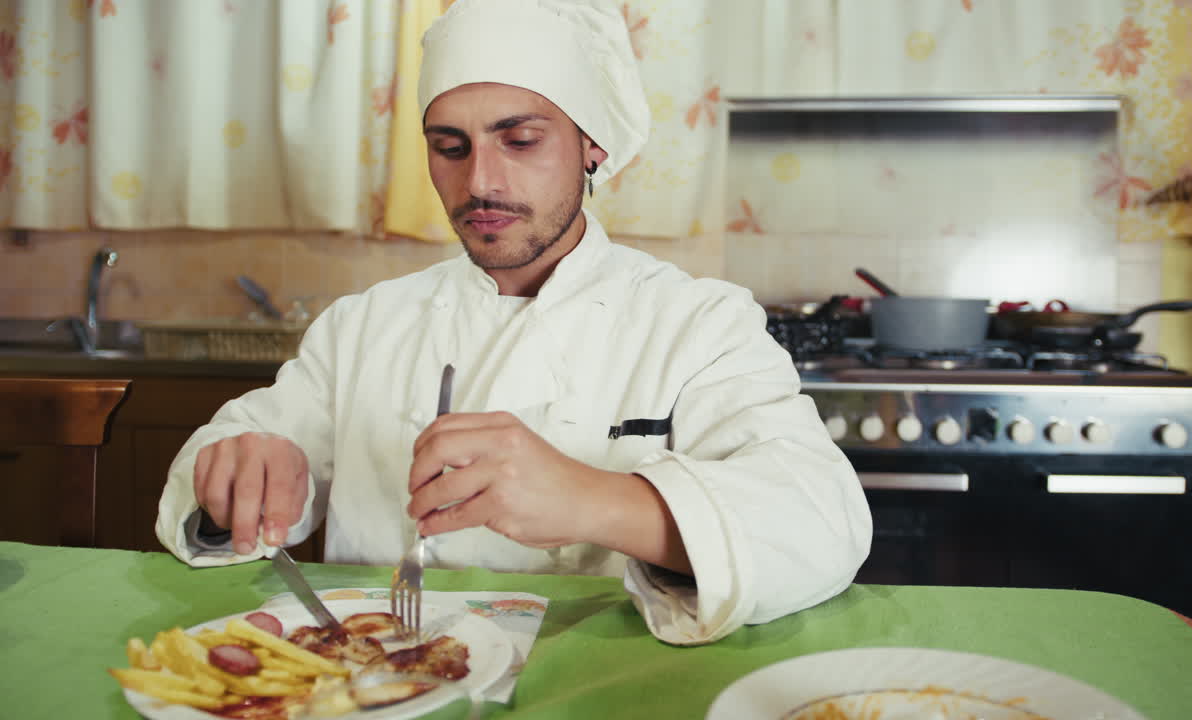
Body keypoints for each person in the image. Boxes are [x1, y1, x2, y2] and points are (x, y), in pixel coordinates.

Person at [156, 0, 871, 645]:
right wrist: (237, 475)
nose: (481, 183)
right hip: (383, 678)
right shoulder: (364, 325)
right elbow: (225, 461)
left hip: (598, 680)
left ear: (593, 146)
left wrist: (598, 499)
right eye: (450, 146)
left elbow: (822, 523)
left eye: (520, 139)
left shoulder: (697, 322)